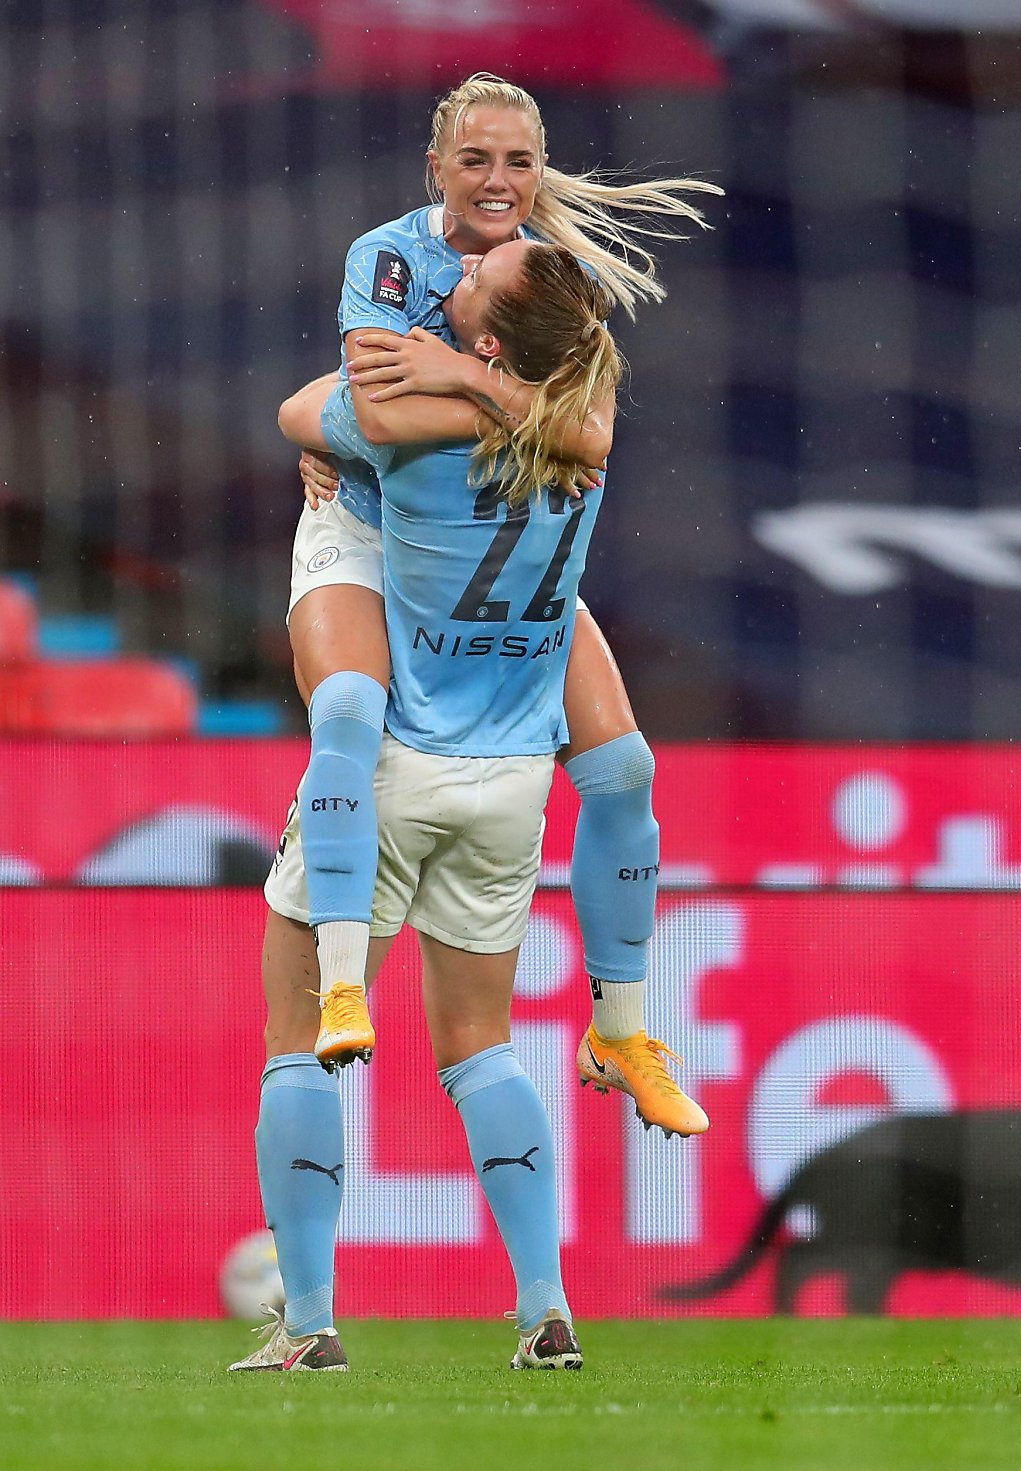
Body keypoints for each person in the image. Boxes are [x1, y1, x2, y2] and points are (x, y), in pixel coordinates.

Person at [234, 239, 668, 1373]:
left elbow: (299, 414)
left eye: (474, 282)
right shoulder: (583, 444)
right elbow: (570, 411)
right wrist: (487, 378)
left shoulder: (404, 429)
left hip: (397, 768)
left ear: (483, 341)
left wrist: (422, 380)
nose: (454, 270)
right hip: (514, 784)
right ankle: (547, 1310)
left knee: (297, 1047)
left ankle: (312, 1324)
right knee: (482, 1046)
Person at [290, 72, 719, 1139]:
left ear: (540, 167)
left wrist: (469, 381)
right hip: (381, 528)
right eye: (475, 159)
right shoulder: (386, 258)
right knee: (346, 710)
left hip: (497, 548)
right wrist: (498, 409)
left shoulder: (555, 270)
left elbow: (593, 434)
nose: (499, 181)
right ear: (435, 167)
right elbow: (378, 412)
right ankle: (340, 973)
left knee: (623, 767)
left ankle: (620, 1028)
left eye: (519, 161)